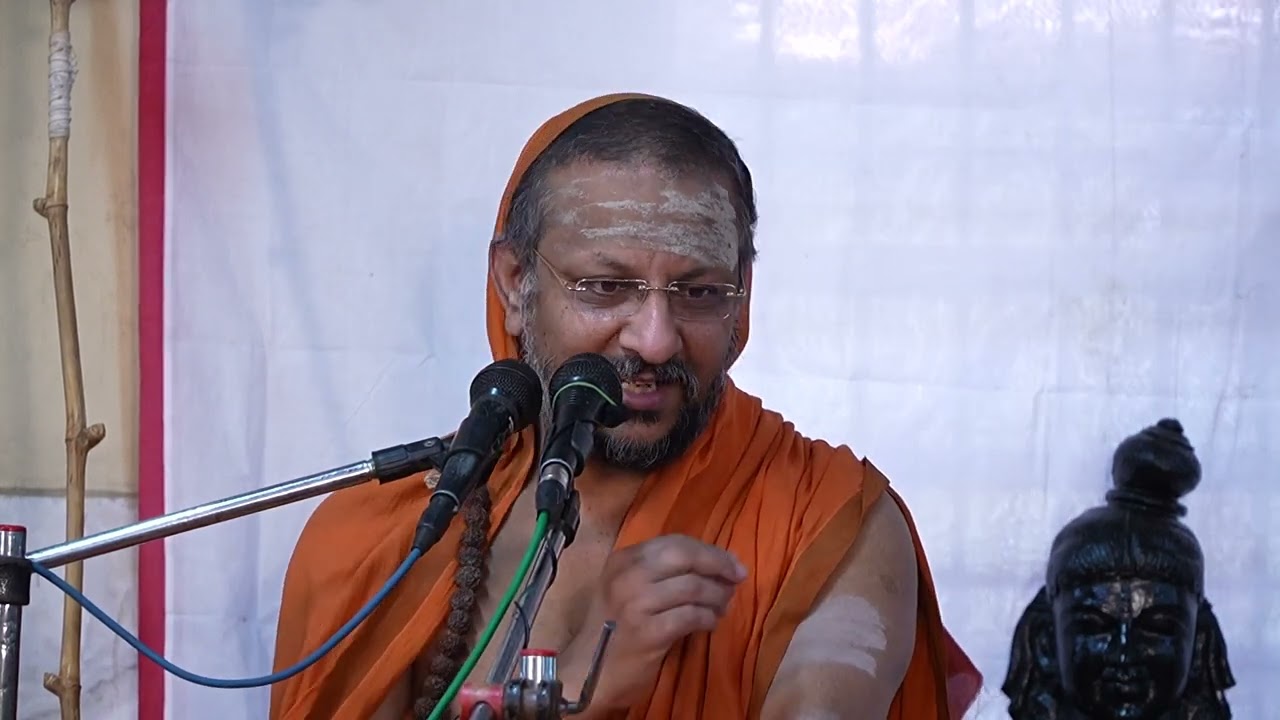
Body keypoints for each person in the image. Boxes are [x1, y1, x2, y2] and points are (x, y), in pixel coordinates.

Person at [269, 93, 982, 720]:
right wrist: (580, 688)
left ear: (743, 295)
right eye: (606, 288)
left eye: (699, 292)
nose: (654, 338)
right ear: (516, 285)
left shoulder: (825, 519)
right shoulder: (375, 542)